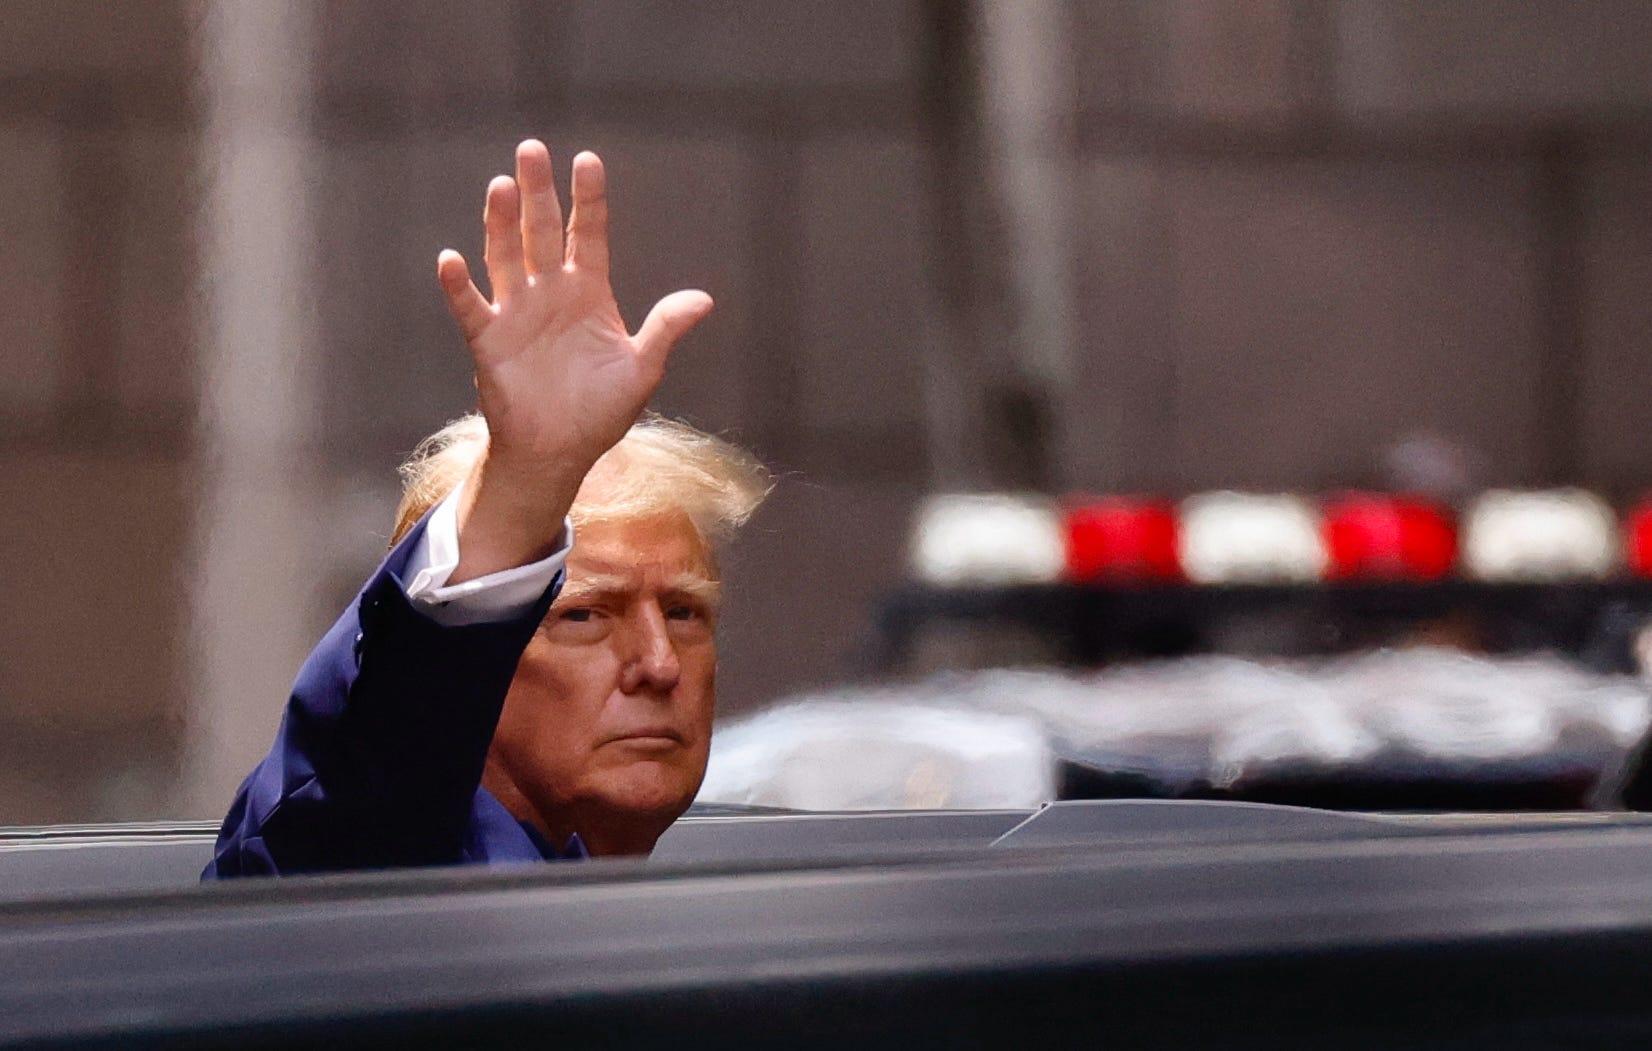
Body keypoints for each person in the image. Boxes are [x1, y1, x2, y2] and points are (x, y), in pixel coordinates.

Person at [206, 139, 770, 876]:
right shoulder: (379, 866)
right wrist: (525, 484)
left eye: (685, 612)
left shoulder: (680, 919)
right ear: (477, 666)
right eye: (585, 615)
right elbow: (364, 774)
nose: (659, 665)